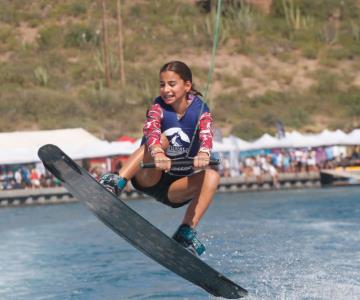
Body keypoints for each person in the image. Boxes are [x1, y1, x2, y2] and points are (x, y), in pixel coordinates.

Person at [99, 61, 220, 256]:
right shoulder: (158, 107)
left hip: (175, 189)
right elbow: (151, 130)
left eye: (172, 84)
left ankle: (185, 233)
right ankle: (116, 182)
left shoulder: (201, 111)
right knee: (160, 140)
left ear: (187, 86)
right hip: (150, 176)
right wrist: (158, 152)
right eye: (162, 85)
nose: (166, 89)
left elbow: (206, 135)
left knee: (212, 176)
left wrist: (204, 153)